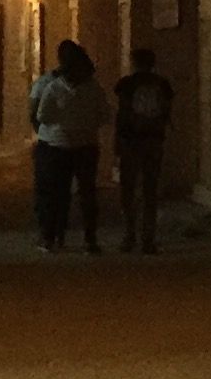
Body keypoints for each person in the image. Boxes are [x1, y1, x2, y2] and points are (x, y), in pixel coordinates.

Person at [29, 38, 109, 252]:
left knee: (54, 193)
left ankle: (50, 237)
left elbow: (41, 115)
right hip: (86, 146)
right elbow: (104, 115)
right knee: (87, 193)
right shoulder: (94, 88)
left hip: (55, 145)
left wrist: (60, 125)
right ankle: (90, 240)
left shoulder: (53, 86)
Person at [113, 42, 175, 252]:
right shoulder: (162, 84)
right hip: (153, 141)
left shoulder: (126, 85)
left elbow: (122, 115)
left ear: (134, 63)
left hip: (131, 141)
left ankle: (129, 235)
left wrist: (117, 142)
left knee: (128, 190)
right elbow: (167, 112)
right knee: (150, 189)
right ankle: (148, 239)